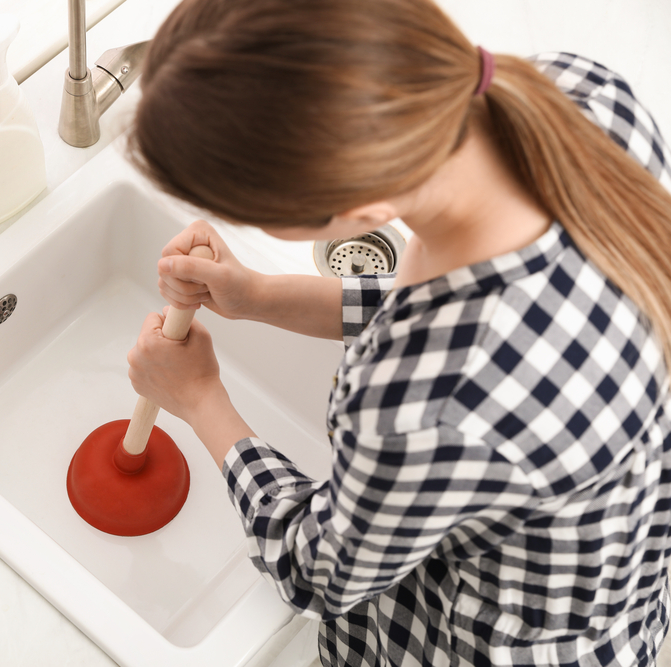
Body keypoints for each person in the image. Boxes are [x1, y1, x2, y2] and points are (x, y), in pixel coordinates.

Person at [122, 0, 671, 665]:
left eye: (251, 213)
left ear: (361, 212)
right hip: (617, 585)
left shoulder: (427, 398)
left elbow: (319, 570)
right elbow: (474, 295)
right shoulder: (583, 96)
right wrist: (263, 296)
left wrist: (200, 397)